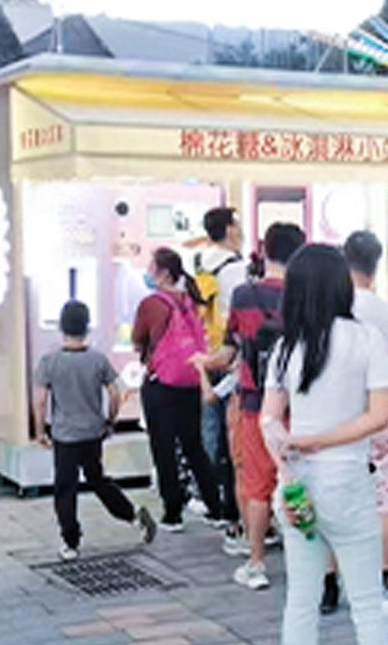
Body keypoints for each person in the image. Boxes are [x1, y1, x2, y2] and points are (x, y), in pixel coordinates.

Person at [262, 244, 388, 645]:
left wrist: (287, 461)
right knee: (367, 604)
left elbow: (268, 419)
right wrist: (320, 441)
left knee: (301, 601)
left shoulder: (286, 348)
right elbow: (379, 416)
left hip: (296, 486)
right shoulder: (366, 339)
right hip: (347, 481)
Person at [193, 222, 306, 590]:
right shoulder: (306, 298)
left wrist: (204, 363)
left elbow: (229, 352)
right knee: (300, 481)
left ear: (265, 249)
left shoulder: (244, 295)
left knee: (256, 483)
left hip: (256, 403)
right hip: (301, 406)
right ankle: (306, 558)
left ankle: (256, 562)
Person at [35, 301, 157, 560]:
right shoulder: (98, 360)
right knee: (98, 479)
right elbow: (116, 393)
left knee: (65, 488)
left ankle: (70, 542)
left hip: (64, 434)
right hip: (92, 432)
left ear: (61, 326)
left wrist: (40, 431)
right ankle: (132, 515)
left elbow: (41, 400)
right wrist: (109, 421)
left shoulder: (49, 361)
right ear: (87, 327)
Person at [132, 247, 222, 532]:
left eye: (151, 266)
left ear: (163, 272)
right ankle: (215, 507)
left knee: (164, 448)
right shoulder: (189, 300)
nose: (148, 271)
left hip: (162, 386)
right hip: (191, 382)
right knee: (194, 447)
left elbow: (138, 340)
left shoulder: (152, 304)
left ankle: (173, 513)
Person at [345, 231, 388, 589]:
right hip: (380, 411)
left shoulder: (335, 309)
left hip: (340, 412)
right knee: (385, 497)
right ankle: (387, 572)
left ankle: (332, 578)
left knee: (337, 498)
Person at [194, 207, 246, 528]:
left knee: (208, 429)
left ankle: (205, 494)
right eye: (236, 226)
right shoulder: (235, 269)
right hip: (230, 354)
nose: (239, 231)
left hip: (204, 353)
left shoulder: (199, 262)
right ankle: (229, 502)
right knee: (233, 430)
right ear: (228, 229)